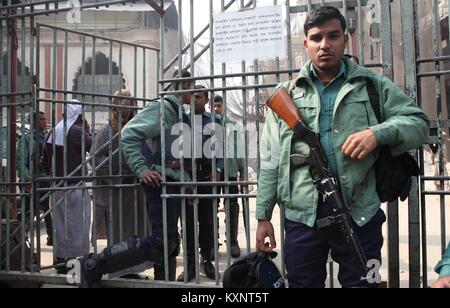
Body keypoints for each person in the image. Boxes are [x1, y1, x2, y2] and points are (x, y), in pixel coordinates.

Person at [255, 6, 430, 288]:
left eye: (333, 36)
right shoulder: (286, 96)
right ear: (306, 44)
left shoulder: (371, 85)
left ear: (345, 40)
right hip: (302, 217)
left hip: (360, 214)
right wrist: (263, 216)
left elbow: (419, 124)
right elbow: (271, 160)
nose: (325, 44)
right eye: (317, 37)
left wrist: (377, 133)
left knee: (364, 283)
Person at [77, 71, 192, 287]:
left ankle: (155, 280)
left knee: (167, 242)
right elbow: (122, 142)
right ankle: (95, 264)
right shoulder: (162, 109)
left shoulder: (176, 112)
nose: (125, 107)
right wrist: (139, 169)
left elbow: (161, 152)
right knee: (159, 241)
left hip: (147, 188)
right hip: (130, 187)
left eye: (128, 103)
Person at [90, 89, 150, 277]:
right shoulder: (106, 130)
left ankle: (133, 268)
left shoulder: (138, 128)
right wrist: (118, 172)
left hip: (135, 190)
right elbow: (95, 158)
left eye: (128, 103)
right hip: (117, 190)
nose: (125, 108)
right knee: (118, 230)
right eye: (121, 103)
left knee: (135, 230)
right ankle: (118, 268)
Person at [176, 85, 223, 282]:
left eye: (200, 97)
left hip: (206, 178)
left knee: (207, 221)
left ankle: (206, 260)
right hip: (186, 178)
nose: (196, 100)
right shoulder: (182, 120)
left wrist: (218, 169)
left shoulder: (214, 121)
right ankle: (190, 264)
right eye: (193, 97)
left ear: (206, 100)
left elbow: (221, 150)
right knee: (187, 223)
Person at [41, 102, 92, 273]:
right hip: (75, 186)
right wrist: (87, 130)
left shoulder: (52, 131)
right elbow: (93, 146)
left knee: (60, 227)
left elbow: (43, 161)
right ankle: (77, 263)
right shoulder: (77, 131)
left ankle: (60, 261)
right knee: (78, 226)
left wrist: (54, 174)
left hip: (57, 187)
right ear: (78, 115)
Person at [213, 95, 245, 258]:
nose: (216, 109)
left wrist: (243, 173)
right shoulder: (206, 125)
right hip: (212, 174)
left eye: (219, 105)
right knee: (211, 206)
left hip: (230, 171)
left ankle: (232, 241)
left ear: (223, 106)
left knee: (232, 205)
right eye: (213, 106)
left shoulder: (232, 126)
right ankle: (212, 242)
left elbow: (239, 149)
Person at [16, 111, 53, 246]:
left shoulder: (47, 137)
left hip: (45, 180)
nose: (44, 121)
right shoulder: (26, 138)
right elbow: (20, 161)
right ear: (34, 122)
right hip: (32, 181)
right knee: (27, 213)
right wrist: (26, 180)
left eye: (45, 119)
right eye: (41, 119)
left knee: (49, 212)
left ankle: (51, 237)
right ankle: (20, 240)